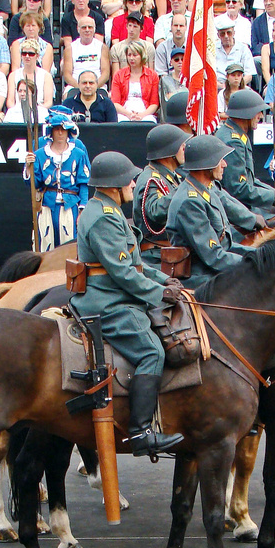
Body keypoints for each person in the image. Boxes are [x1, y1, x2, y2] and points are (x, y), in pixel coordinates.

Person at [73, 151, 184, 457]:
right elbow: (122, 273)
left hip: (115, 291)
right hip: (106, 300)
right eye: (129, 180)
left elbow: (134, 264)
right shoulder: (102, 219)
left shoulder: (107, 210)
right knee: (152, 351)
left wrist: (163, 281)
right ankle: (141, 432)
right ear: (113, 186)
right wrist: (158, 294)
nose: (135, 183)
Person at [166, 135, 255, 289]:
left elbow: (226, 246)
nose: (225, 164)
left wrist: (259, 255)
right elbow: (214, 257)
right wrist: (252, 264)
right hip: (202, 279)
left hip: (214, 271)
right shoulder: (189, 201)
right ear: (207, 164)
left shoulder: (206, 191)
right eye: (220, 160)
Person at [23, 108, 90, 251]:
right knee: (45, 245)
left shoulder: (78, 154)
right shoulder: (40, 154)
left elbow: (83, 183)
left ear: (69, 132)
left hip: (70, 205)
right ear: (51, 132)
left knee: (69, 248)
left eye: (64, 130)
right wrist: (29, 168)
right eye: (57, 129)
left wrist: (82, 208)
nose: (60, 133)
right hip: (47, 204)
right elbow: (35, 184)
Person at [216, 89, 275, 216]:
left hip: (244, 204)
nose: (260, 116)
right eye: (258, 112)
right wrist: (272, 196)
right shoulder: (233, 141)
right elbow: (237, 188)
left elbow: (250, 180)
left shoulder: (238, 134)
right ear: (246, 114)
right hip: (237, 211)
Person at [134, 123, 187, 253]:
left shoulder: (171, 176)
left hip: (173, 252)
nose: (185, 147)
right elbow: (156, 211)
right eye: (181, 145)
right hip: (157, 256)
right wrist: (186, 188)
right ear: (169, 151)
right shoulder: (151, 179)